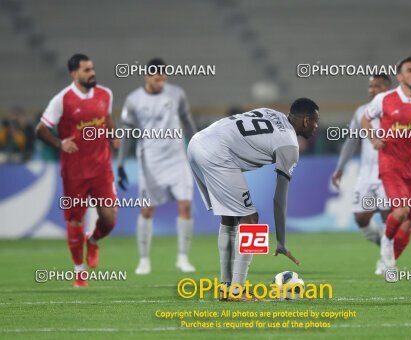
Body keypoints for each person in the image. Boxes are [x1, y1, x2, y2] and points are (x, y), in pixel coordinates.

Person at [187, 98, 319, 301]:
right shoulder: (290, 146)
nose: (316, 127)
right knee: (250, 219)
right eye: (315, 122)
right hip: (217, 153)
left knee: (231, 217)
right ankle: (237, 291)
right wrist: (281, 241)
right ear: (306, 121)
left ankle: (226, 287)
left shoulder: (270, 112)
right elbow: (279, 199)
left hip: (197, 143)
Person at [35, 54, 118, 287]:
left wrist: (112, 135)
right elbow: (40, 129)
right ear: (74, 74)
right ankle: (79, 271)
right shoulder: (62, 100)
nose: (92, 73)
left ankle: (93, 240)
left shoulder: (105, 94)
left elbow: (107, 119)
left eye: (92, 68)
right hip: (74, 172)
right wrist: (60, 143)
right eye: (86, 70)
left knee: (110, 219)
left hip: (102, 168)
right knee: (75, 221)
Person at [117, 58, 197, 274]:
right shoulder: (134, 100)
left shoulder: (176, 94)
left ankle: (183, 258)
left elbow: (187, 120)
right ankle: (143, 260)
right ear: (147, 76)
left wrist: (199, 144)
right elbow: (126, 132)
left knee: (185, 206)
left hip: (176, 158)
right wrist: (122, 163)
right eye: (156, 78)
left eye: (163, 78)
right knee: (146, 209)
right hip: (150, 161)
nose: (161, 82)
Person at [361, 57, 411, 271]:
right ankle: (386, 241)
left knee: (408, 222)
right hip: (391, 164)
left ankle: (387, 262)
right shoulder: (385, 100)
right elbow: (365, 119)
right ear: (400, 76)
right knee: (401, 210)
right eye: (410, 70)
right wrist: (374, 139)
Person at [330, 75, 392, 275]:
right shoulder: (361, 112)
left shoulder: (397, 111)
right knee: (361, 217)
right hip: (366, 175)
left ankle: (386, 260)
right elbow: (351, 141)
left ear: (388, 88)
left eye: (377, 86)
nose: (372, 89)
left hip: (390, 172)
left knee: (387, 216)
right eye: (370, 86)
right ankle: (386, 244)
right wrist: (340, 168)